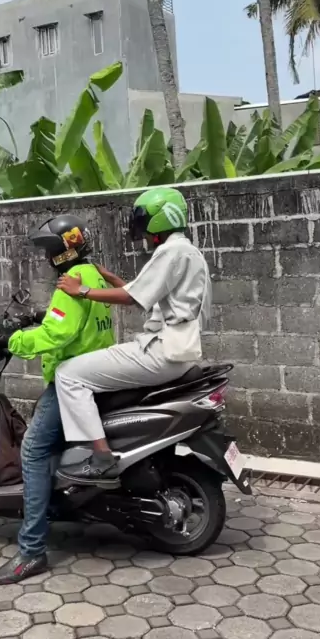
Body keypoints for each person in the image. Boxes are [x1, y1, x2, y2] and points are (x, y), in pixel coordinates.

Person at [0, 214, 116, 585]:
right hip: (96, 372)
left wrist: (10, 340)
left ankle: (31, 551)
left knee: (33, 451)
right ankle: (56, 505)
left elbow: (57, 335)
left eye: (48, 251)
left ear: (61, 251)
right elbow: (74, 319)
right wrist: (40, 315)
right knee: (51, 447)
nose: (45, 258)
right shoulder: (92, 275)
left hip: (72, 381)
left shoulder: (70, 283)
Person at [54, 186, 212, 487]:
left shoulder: (172, 252)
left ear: (160, 219)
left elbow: (132, 297)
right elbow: (148, 295)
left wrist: (82, 290)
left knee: (68, 375)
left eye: (144, 219)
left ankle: (102, 458)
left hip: (162, 350)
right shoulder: (188, 252)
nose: (141, 227)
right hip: (178, 350)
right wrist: (113, 279)